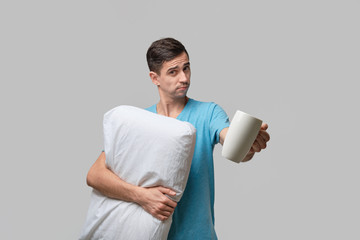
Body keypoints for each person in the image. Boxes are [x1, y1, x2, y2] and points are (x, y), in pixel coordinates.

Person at [86, 37, 270, 239]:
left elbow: (231, 142)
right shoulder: (140, 121)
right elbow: (95, 175)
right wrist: (142, 196)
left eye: (186, 68)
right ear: (155, 78)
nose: (184, 78)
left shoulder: (208, 112)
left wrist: (247, 144)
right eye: (173, 72)